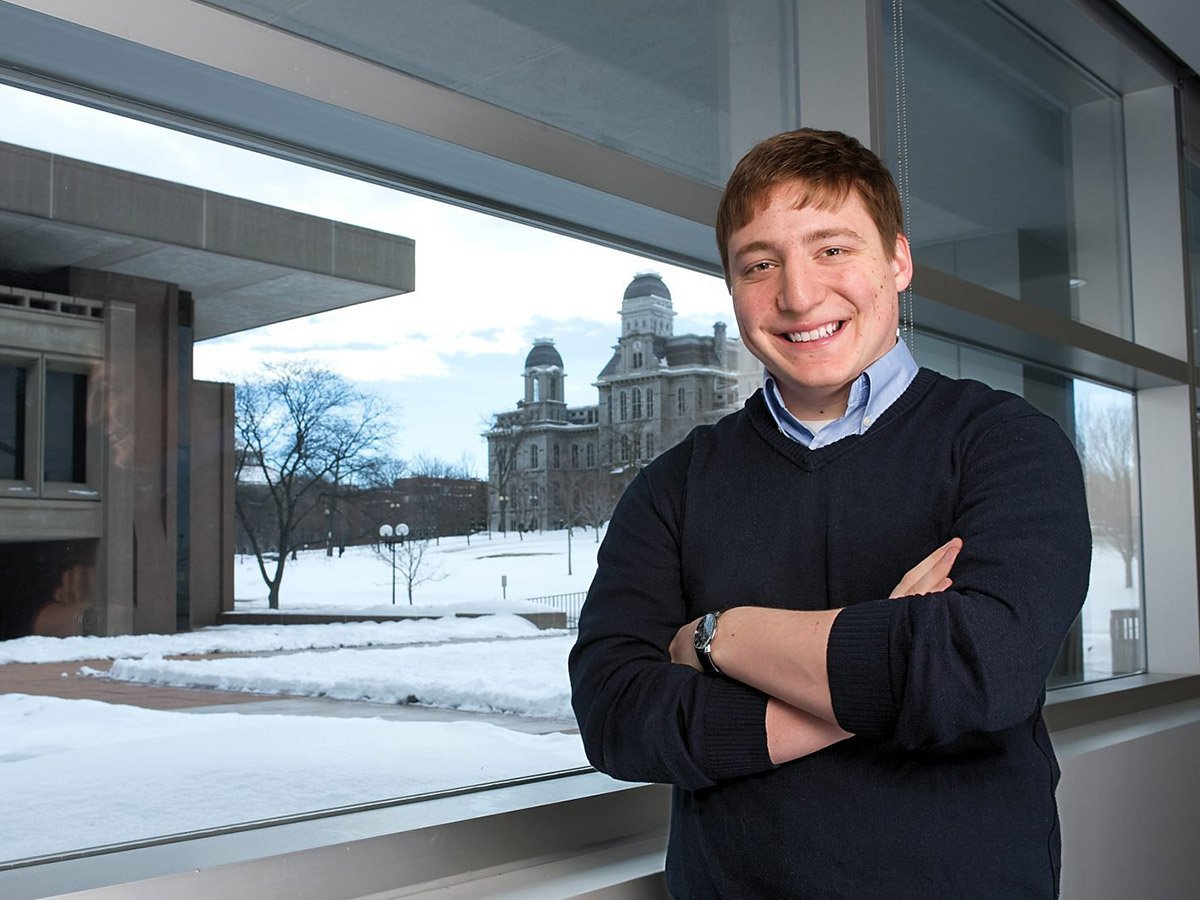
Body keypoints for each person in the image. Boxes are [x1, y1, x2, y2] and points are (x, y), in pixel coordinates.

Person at [568, 128, 1091, 898]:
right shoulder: (672, 485)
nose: (799, 295)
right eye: (760, 263)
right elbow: (616, 715)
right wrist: (893, 663)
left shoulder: (1007, 444)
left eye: (833, 249)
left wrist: (720, 635)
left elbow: (980, 670)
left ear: (898, 261)